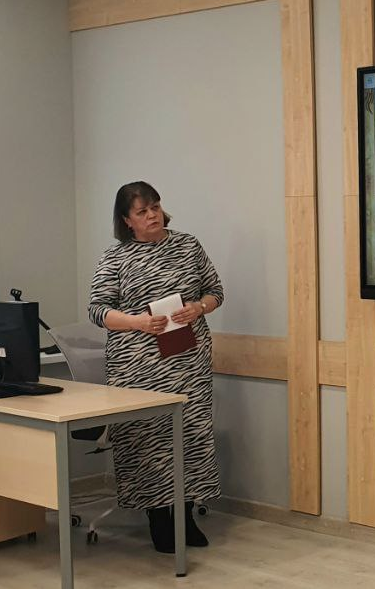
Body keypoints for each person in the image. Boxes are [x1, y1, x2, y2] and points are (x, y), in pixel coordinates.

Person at [88, 181, 224, 552]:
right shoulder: (115, 257)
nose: (152, 216)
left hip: (187, 361)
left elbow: (215, 291)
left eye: (155, 207)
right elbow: (98, 311)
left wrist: (198, 308)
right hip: (138, 366)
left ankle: (186, 514)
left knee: (190, 435)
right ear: (126, 220)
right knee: (150, 439)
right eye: (142, 211)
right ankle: (158, 517)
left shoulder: (188, 245)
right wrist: (138, 322)